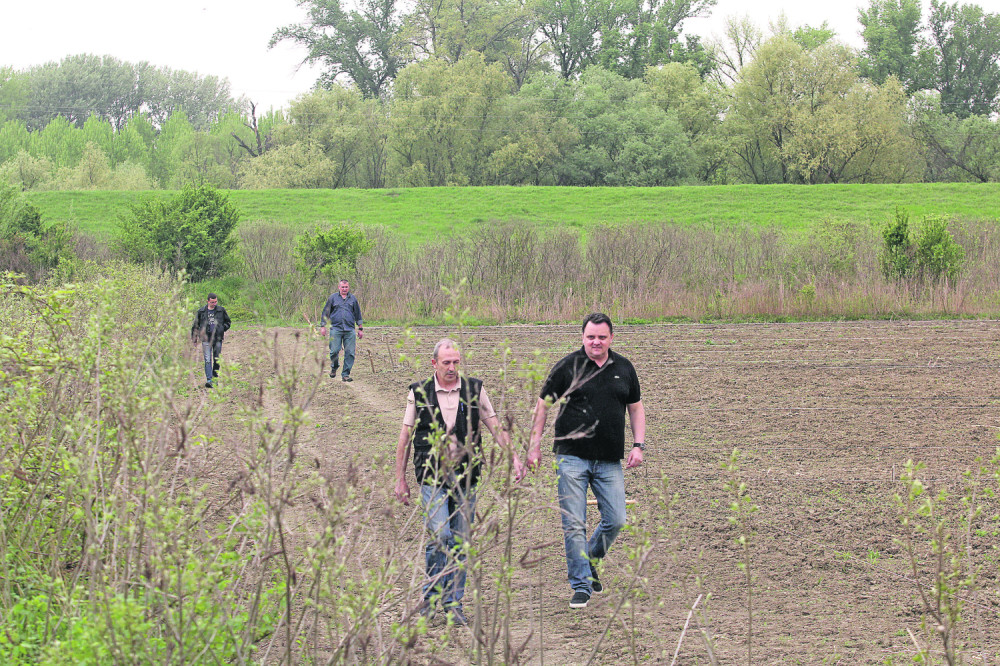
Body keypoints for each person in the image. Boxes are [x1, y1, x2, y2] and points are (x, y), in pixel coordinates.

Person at [394, 338, 524, 626]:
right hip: (431, 477)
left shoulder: (474, 390)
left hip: (466, 477)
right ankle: (430, 599)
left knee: (461, 541)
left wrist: (514, 458)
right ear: (434, 363)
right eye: (446, 363)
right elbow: (405, 437)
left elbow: (495, 426)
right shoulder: (419, 392)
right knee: (440, 536)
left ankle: (453, 604)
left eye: (456, 362)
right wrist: (400, 479)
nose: (452, 367)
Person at [527, 313, 646, 609]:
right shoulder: (568, 366)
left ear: (611, 338)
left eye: (602, 337)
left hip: (609, 460)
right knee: (574, 523)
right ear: (582, 337)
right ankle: (581, 585)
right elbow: (542, 405)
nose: (596, 342)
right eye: (590, 337)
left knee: (616, 520)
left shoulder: (624, 368)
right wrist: (534, 446)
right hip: (571, 458)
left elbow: (635, 407)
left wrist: (638, 445)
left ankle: (590, 558)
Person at [319, 279, 364, 382]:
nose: (344, 289)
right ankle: (334, 367)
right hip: (336, 329)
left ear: (348, 287)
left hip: (349, 329)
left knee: (350, 353)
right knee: (334, 351)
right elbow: (325, 313)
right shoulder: (333, 298)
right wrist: (323, 326)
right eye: (342, 287)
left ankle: (345, 374)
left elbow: (358, 314)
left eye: (346, 287)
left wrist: (360, 328)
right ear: (339, 287)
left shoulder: (353, 299)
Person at [191, 293, 232, 389]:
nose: (214, 304)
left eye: (216, 302)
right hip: (205, 338)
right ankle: (209, 380)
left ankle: (215, 378)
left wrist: (222, 328)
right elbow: (195, 325)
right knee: (207, 360)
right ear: (208, 301)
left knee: (217, 359)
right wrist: (194, 338)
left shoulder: (221, 310)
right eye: (212, 302)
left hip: (217, 338)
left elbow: (228, 322)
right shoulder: (201, 311)